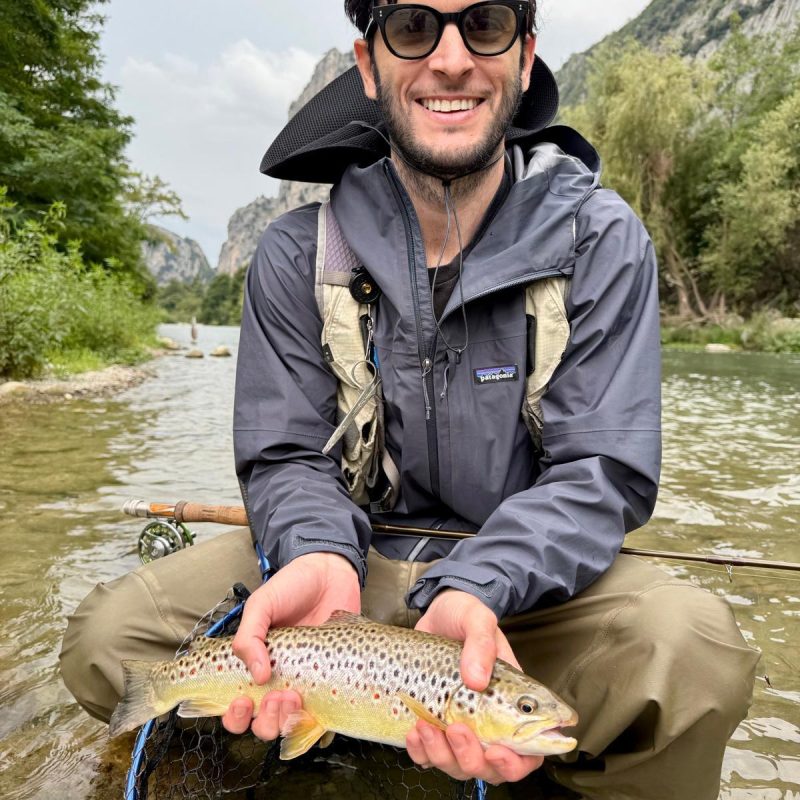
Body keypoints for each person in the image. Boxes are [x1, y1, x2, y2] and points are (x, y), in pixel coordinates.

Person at [60, 1, 760, 797]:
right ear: (369, 64)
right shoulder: (297, 254)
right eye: (416, 28)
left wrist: (478, 583)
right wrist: (316, 553)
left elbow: (601, 469)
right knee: (108, 638)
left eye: (486, 24)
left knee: (692, 650)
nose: (452, 59)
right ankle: (256, 751)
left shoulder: (601, 240)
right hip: (339, 585)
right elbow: (285, 456)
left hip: (521, 598)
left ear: (525, 57)